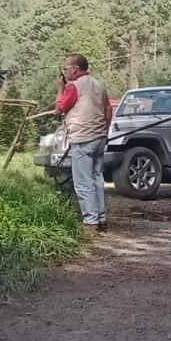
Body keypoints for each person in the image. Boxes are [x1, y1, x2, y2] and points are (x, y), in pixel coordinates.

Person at [55, 54, 113, 234]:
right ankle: (101, 219)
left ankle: (90, 222)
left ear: (74, 69)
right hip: (100, 138)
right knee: (97, 178)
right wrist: (105, 131)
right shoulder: (99, 84)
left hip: (82, 139)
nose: (65, 71)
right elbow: (108, 110)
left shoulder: (74, 86)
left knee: (82, 181)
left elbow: (59, 109)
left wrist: (60, 88)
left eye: (66, 68)